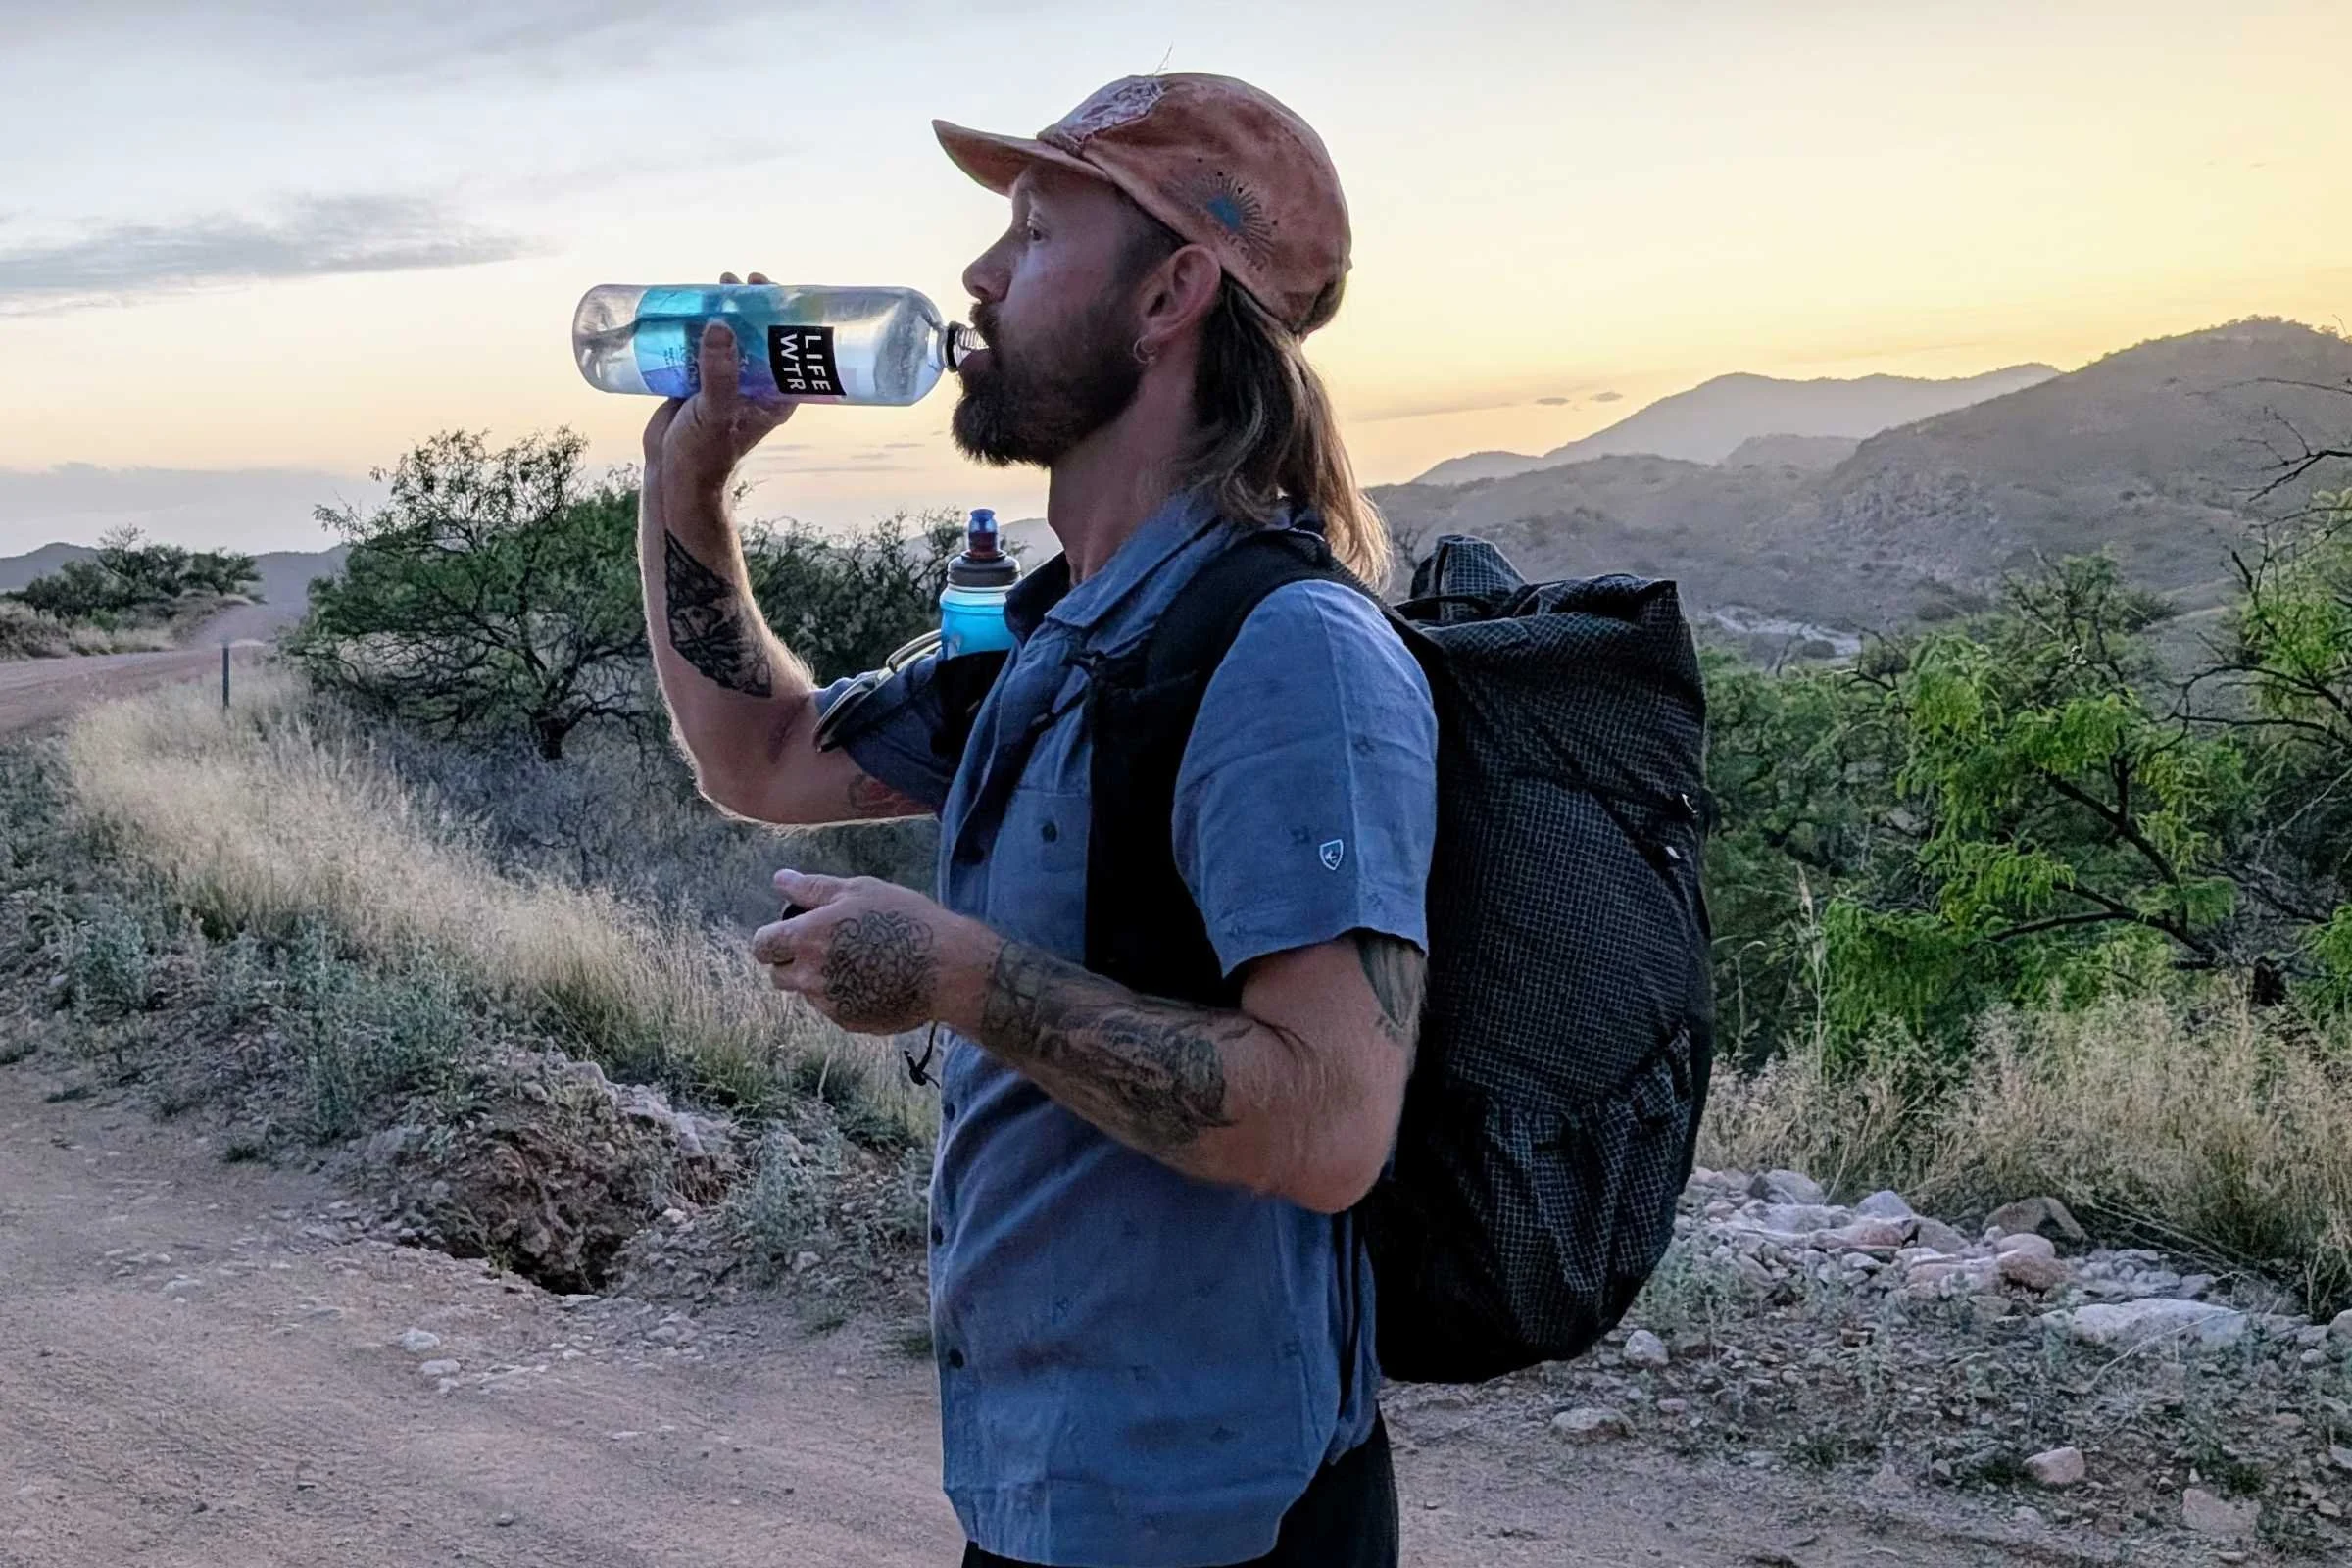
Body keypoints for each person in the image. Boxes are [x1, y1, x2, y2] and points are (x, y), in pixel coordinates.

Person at [636, 72, 1436, 1568]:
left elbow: (1331, 1125)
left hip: (1218, 1524)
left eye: (1036, 232)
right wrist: (685, 482)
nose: (980, 277)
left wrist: (954, 979)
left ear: (1171, 295)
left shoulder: (1287, 656)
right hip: (1055, 1492)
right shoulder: (1060, 640)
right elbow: (760, 754)